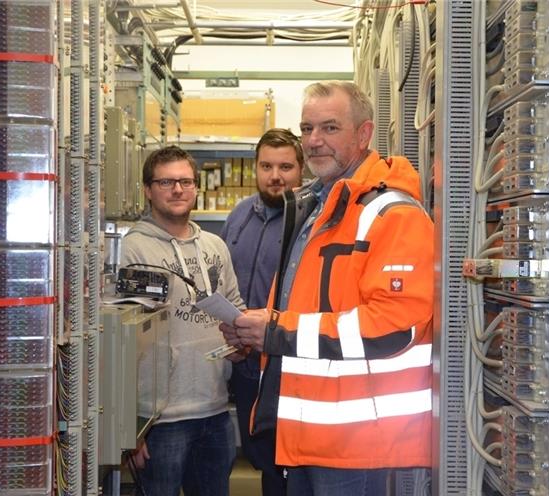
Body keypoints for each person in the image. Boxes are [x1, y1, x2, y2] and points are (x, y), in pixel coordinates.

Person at [220, 81, 434, 496]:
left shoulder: (392, 214)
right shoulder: (318, 208)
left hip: (359, 443)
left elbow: (393, 326)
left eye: (330, 128)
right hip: (309, 435)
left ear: (364, 134)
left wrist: (276, 331)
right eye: (306, 128)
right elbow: (307, 307)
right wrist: (255, 331)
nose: (314, 142)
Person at [122, 145, 244, 496]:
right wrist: (132, 424)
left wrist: (240, 342)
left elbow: (234, 304)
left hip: (215, 409)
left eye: (185, 182)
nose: (178, 190)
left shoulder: (215, 245)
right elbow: (125, 339)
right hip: (160, 419)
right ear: (147, 190)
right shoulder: (135, 249)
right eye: (166, 182)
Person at [220, 128, 304, 496]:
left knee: (284, 463)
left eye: (285, 166)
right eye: (266, 165)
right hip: (245, 361)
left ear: (302, 170)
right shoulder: (238, 217)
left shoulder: (310, 221)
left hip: (286, 362)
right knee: (258, 455)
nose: (275, 176)